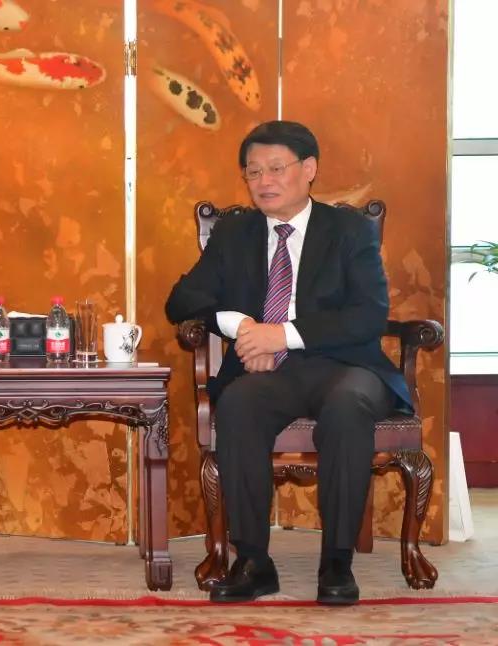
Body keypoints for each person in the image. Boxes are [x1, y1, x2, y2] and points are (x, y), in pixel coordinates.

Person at [165, 120, 410, 606]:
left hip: (347, 366)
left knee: (346, 408)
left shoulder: (348, 230)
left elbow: (368, 315)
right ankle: (253, 561)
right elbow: (182, 300)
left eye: (276, 168)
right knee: (237, 404)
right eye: (253, 172)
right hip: (269, 372)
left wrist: (281, 334)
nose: (264, 181)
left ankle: (336, 562)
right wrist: (244, 328)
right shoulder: (235, 232)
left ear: (309, 169)